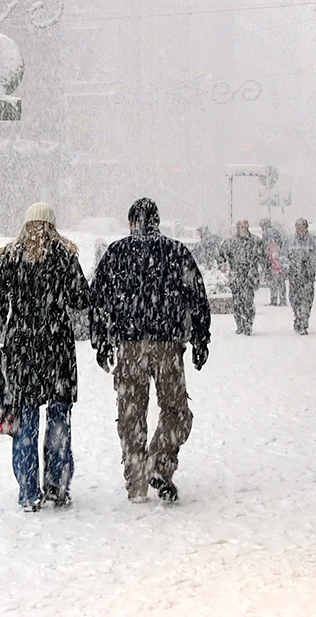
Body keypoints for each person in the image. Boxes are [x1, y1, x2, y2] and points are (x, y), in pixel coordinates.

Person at [88, 198, 211, 504]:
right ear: (157, 221)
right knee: (176, 411)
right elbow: (197, 296)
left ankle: (137, 482)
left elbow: (97, 299)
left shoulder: (117, 253)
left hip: (130, 348)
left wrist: (100, 340)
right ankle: (159, 461)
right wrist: (200, 337)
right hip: (167, 347)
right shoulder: (175, 252)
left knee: (131, 417)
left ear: (131, 223)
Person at [0, 202, 89, 512]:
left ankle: (28, 491)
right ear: (52, 225)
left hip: (22, 352)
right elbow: (81, 299)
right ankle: (57, 486)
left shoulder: (9, 258)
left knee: (25, 422)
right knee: (59, 421)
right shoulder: (65, 257)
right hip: (57, 349)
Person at [218, 219, 264, 334]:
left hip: (250, 276)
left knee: (248, 301)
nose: (244, 229)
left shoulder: (255, 241)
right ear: (237, 228)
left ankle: (248, 324)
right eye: (241, 227)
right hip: (236, 276)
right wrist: (222, 265)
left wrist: (265, 270)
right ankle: (239, 324)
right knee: (237, 302)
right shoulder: (230, 242)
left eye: (245, 226)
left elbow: (263, 257)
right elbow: (221, 255)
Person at [283, 217, 316, 334]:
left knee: (307, 301)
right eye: (298, 227)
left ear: (306, 228)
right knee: (294, 300)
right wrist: (288, 268)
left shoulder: (313, 241)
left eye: (302, 227)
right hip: (294, 277)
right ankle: (297, 315)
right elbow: (283, 256)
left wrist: (312, 269)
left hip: (307, 277)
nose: (300, 229)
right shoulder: (289, 240)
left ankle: (304, 322)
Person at [259, 218, 286, 306]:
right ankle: (283, 299)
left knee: (273, 282)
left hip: (272, 260)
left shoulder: (266, 234)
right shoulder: (277, 232)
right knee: (281, 282)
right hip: (279, 260)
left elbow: (264, 249)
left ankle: (274, 299)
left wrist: (265, 262)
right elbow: (282, 245)